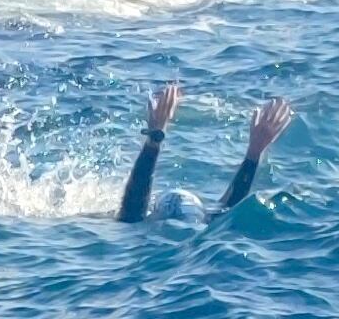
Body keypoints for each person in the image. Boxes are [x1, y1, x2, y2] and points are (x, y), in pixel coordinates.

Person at [116, 82, 294, 223]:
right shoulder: (204, 225)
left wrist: (154, 139)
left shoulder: (132, 220)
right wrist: (254, 151)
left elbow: (133, 204)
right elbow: (228, 205)